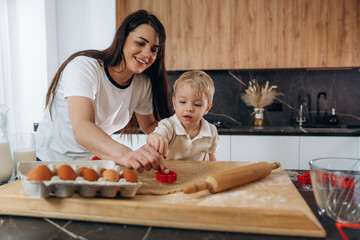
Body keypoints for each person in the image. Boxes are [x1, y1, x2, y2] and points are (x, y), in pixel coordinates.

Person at [35, 10, 173, 173]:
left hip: (93, 162)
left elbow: (150, 126)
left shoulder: (142, 83)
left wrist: (182, 127)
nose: (146, 54)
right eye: (140, 43)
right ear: (123, 40)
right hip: (52, 162)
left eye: (154, 50)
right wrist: (127, 155)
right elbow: (82, 128)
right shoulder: (84, 67)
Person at [146, 70, 219, 161]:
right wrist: (154, 137)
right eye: (183, 102)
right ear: (174, 103)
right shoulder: (168, 125)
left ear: (207, 108)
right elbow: (154, 135)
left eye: (197, 104)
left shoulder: (211, 131)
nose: (189, 109)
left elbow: (211, 155)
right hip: (171, 173)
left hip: (199, 174)